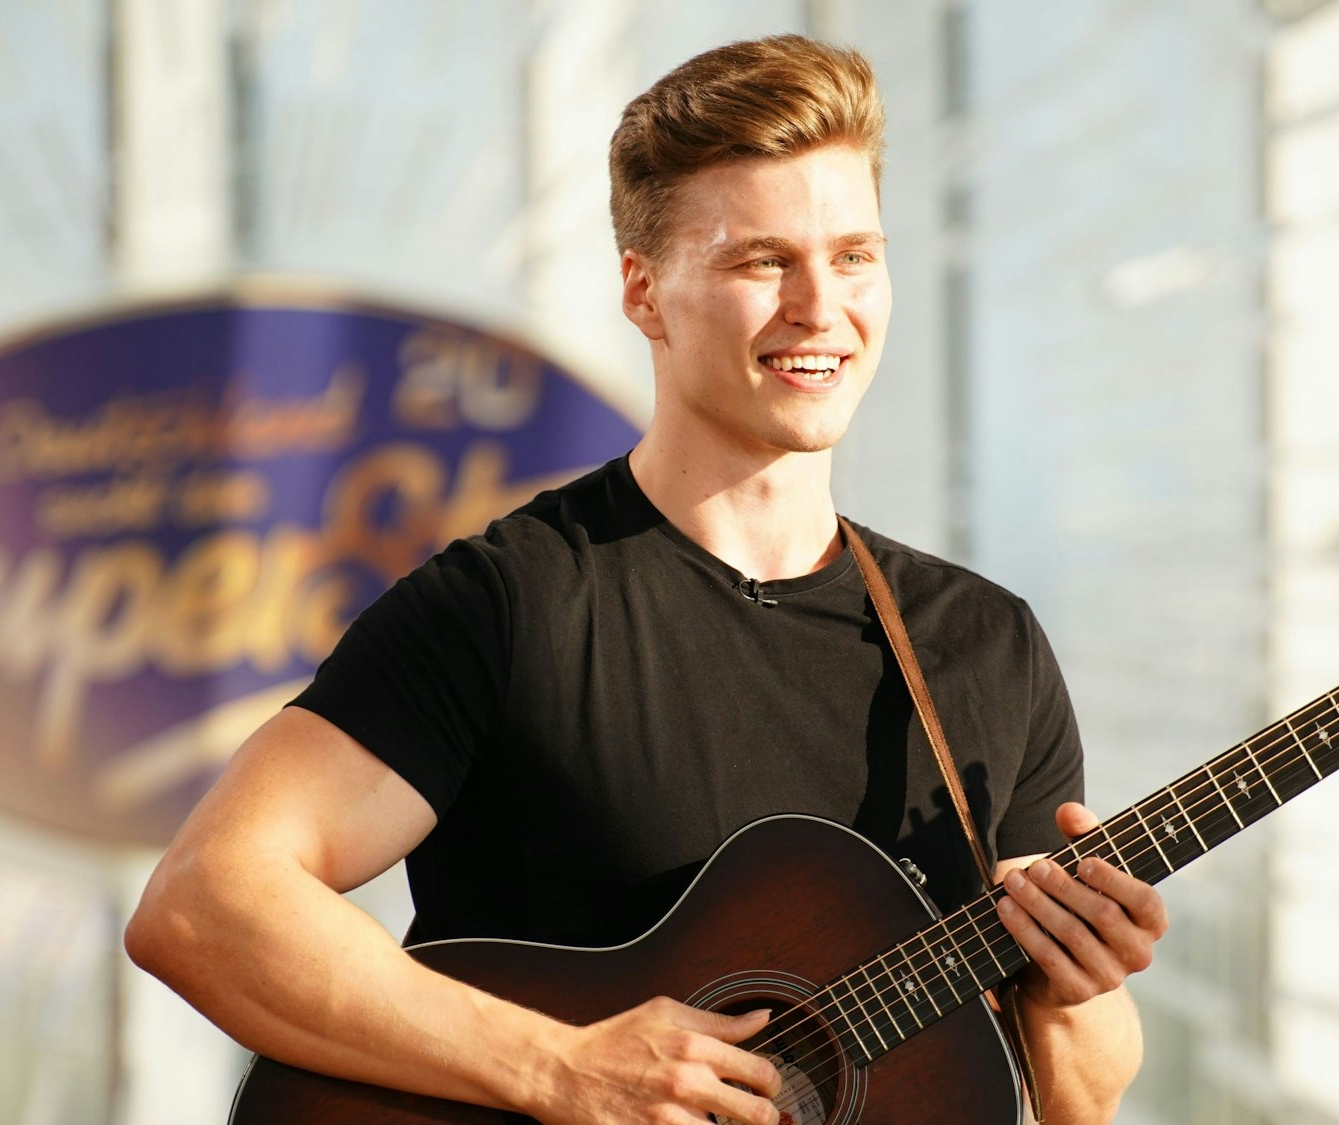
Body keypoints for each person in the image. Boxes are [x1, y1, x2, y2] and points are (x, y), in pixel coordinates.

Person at [126, 34, 1168, 1125]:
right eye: (762, 261)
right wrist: (555, 1068)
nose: (821, 307)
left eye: (855, 255)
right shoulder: (513, 605)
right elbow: (202, 902)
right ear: (644, 292)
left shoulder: (983, 644)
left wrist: (1071, 987)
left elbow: (1073, 1100)